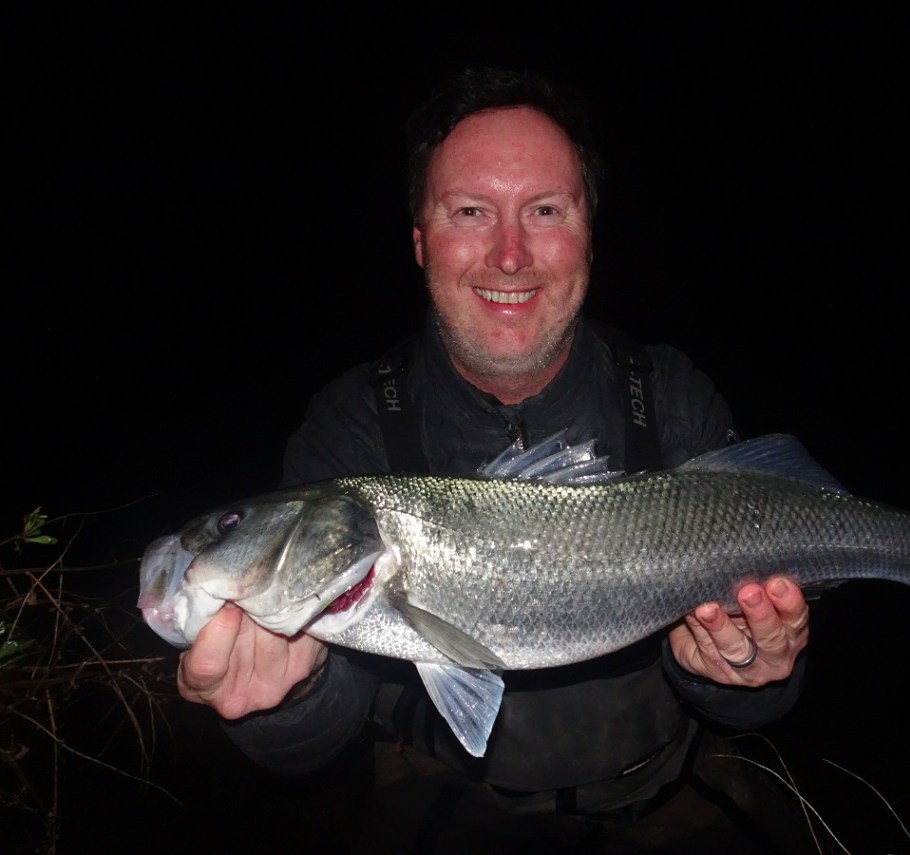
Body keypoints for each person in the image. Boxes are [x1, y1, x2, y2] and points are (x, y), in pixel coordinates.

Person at [177, 66, 813, 850]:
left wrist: (747, 671)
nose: (509, 254)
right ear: (419, 241)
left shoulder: (670, 394)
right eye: (471, 211)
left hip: (662, 798)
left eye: (545, 210)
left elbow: (761, 692)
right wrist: (286, 700)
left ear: (588, 235)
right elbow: (316, 736)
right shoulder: (350, 426)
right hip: (444, 803)